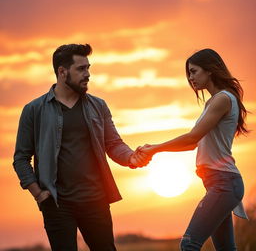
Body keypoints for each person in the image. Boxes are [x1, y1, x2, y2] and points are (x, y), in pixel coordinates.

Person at [13, 43, 150, 251]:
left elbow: (113, 144)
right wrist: (38, 194)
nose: (88, 74)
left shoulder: (98, 106)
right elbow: (21, 158)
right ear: (62, 71)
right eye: (81, 69)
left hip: (96, 200)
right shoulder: (34, 110)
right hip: (57, 204)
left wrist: (131, 157)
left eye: (88, 68)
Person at [139, 48, 249, 250]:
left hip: (224, 183)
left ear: (210, 70)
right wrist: (157, 149)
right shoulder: (214, 101)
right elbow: (193, 143)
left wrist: (155, 149)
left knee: (189, 244)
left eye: (194, 71)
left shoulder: (222, 99)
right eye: (188, 73)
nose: (190, 78)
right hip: (218, 183)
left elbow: (192, 137)